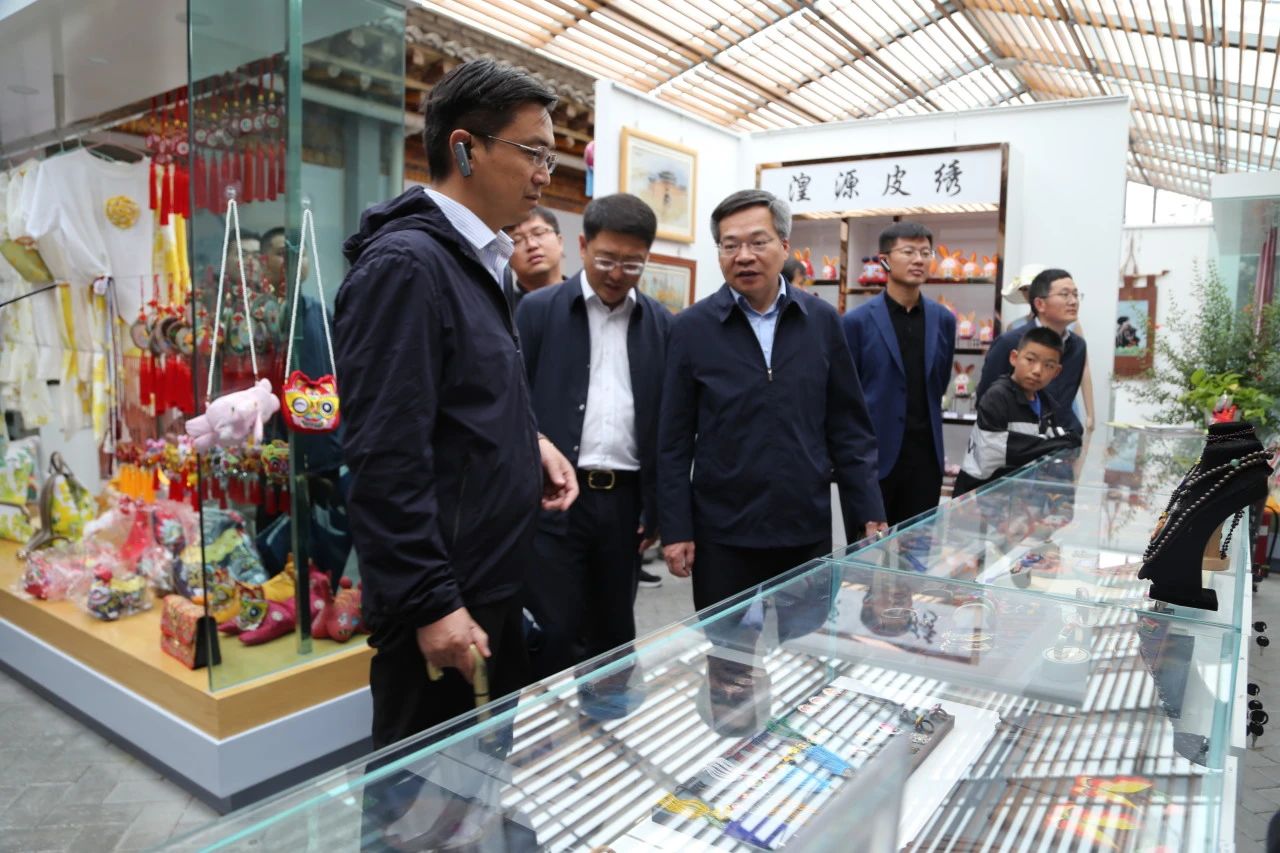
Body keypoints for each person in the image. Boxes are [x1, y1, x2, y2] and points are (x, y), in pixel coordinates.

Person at [332, 58, 579, 752]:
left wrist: (529, 442)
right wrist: (431, 602)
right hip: (447, 599)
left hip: (486, 578)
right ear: (465, 147)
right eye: (533, 151)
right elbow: (385, 452)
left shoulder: (473, 261)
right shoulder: (408, 266)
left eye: (551, 156)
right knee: (423, 792)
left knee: (477, 777)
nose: (545, 173)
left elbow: (461, 397)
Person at [658, 189, 885, 610]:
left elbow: (849, 428)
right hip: (722, 533)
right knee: (728, 646)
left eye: (758, 242)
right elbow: (672, 442)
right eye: (730, 245)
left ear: (784, 245)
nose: (744, 256)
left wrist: (867, 510)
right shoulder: (690, 329)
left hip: (804, 525)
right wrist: (676, 529)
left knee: (807, 643)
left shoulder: (821, 322)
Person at [514, 192, 671, 679]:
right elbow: (512, 401)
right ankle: (542, 721)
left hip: (624, 503)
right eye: (605, 259)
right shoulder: (537, 311)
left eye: (632, 263)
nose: (617, 273)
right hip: (554, 495)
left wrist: (657, 505)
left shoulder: (661, 324)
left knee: (613, 634)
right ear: (582, 246)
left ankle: (605, 719)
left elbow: (666, 424)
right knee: (551, 630)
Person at [842, 222, 955, 527]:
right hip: (872, 463)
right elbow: (847, 396)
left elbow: (939, 382)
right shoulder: (856, 322)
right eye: (908, 252)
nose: (919, 260)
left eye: (925, 253)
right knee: (866, 550)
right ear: (885, 260)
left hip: (925, 460)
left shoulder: (944, 320)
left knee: (917, 549)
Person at [953, 326, 1081, 496]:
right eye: (1030, 360)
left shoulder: (1046, 402)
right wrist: (1054, 443)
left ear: (1057, 372)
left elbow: (1063, 437)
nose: (1037, 371)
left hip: (1018, 496)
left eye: (1048, 365)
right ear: (1014, 358)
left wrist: (1058, 441)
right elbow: (997, 449)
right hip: (980, 496)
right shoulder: (997, 396)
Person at [977, 267, 1088, 434]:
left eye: (1075, 294)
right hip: (1014, 441)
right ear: (1040, 304)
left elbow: (1065, 401)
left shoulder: (1077, 346)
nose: (1073, 301)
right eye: (1065, 295)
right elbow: (986, 399)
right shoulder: (1010, 342)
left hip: (1058, 441)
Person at [503, 205, 565, 312]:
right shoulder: (502, 310)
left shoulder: (585, 297)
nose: (531, 245)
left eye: (538, 233)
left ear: (560, 241)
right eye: (517, 240)